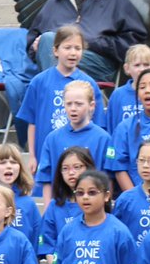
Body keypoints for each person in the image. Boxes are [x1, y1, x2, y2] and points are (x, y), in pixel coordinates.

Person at [18, 24, 107, 176]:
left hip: (81, 161)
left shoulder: (89, 84)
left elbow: (98, 124)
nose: (73, 53)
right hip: (48, 156)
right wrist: (32, 156)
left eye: (77, 48)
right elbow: (31, 122)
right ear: (55, 51)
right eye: (67, 48)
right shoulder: (39, 82)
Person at [34, 80, 113, 203]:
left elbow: (108, 178)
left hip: (93, 209)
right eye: (68, 104)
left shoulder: (104, 138)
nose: (73, 109)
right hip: (62, 210)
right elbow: (46, 178)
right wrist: (48, 211)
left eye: (78, 104)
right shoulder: (52, 139)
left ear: (92, 106)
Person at [101, 44, 150, 132]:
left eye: (146, 65)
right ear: (127, 68)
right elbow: (112, 127)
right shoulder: (118, 95)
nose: (142, 69)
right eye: (137, 65)